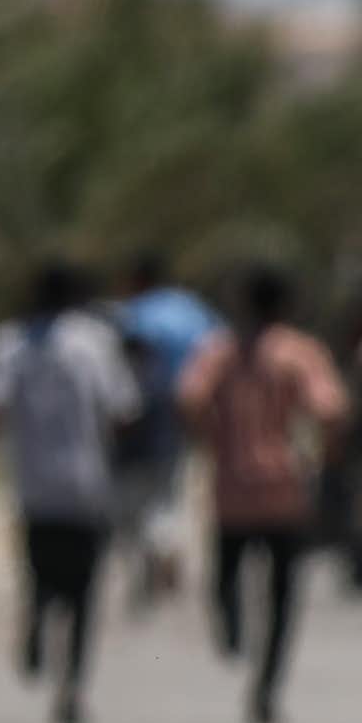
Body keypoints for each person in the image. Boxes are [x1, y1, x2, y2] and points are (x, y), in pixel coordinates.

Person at [177, 266, 352, 723]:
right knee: (282, 599)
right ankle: (267, 688)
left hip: (231, 489)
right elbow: (330, 409)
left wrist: (213, 438)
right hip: (284, 490)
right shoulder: (299, 353)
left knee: (225, 579)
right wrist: (324, 453)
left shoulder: (218, 352)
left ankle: (233, 633)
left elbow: (190, 399)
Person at [0, 260, 140, 723]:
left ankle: (36, 625)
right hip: (86, 484)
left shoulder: (8, 344)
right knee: (85, 593)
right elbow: (123, 409)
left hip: (32, 487)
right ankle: (72, 687)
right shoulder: (93, 343)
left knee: (40, 573)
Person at [109, 255, 220, 605]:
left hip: (144, 410)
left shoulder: (135, 313)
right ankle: (165, 544)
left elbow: (127, 359)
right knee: (170, 487)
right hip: (187, 407)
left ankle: (153, 549)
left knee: (135, 491)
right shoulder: (192, 309)